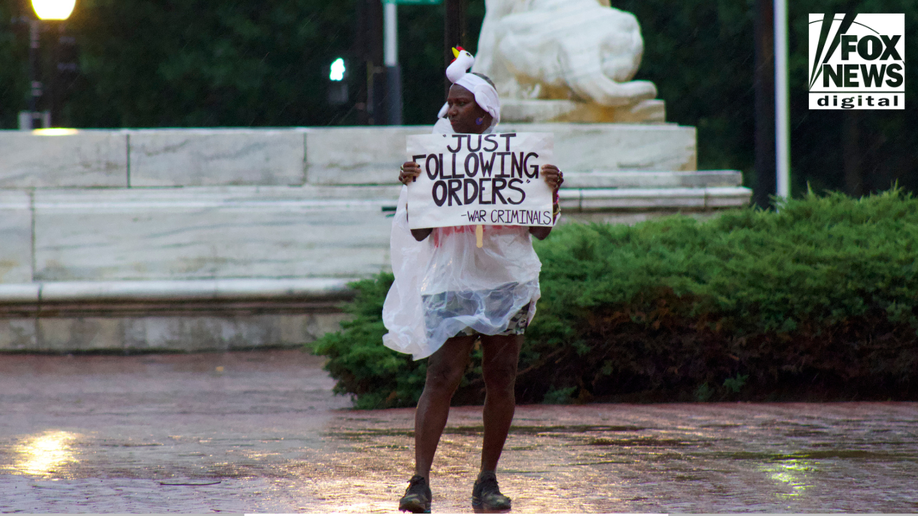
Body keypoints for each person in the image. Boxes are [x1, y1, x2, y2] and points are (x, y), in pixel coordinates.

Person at [382, 65, 563, 514]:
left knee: (500, 377)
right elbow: (421, 233)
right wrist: (415, 189)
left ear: (486, 112)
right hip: (452, 280)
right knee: (441, 376)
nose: (451, 110)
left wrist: (550, 193)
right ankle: (420, 481)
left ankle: (487, 481)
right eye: (450, 102)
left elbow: (540, 233)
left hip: (508, 280)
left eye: (461, 103)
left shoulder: (521, 160)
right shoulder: (433, 160)